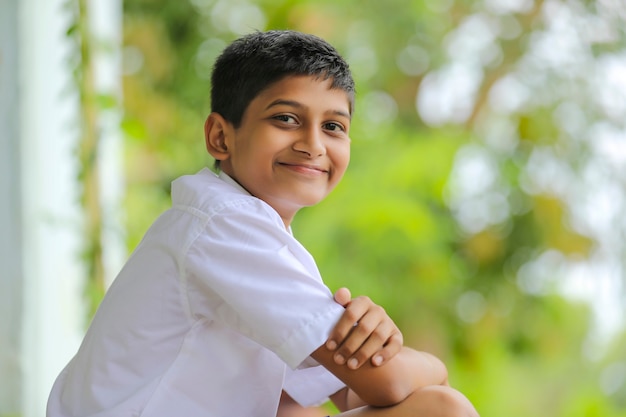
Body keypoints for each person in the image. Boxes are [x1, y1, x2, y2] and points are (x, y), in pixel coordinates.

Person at [47, 30, 479, 417]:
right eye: (285, 119)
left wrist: (376, 342)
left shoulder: (261, 236)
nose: (313, 145)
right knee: (442, 409)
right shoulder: (224, 224)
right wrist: (431, 365)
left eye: (332, 126)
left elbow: (348, 392)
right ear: (221, 137)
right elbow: (385, 383)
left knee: (294, 410)